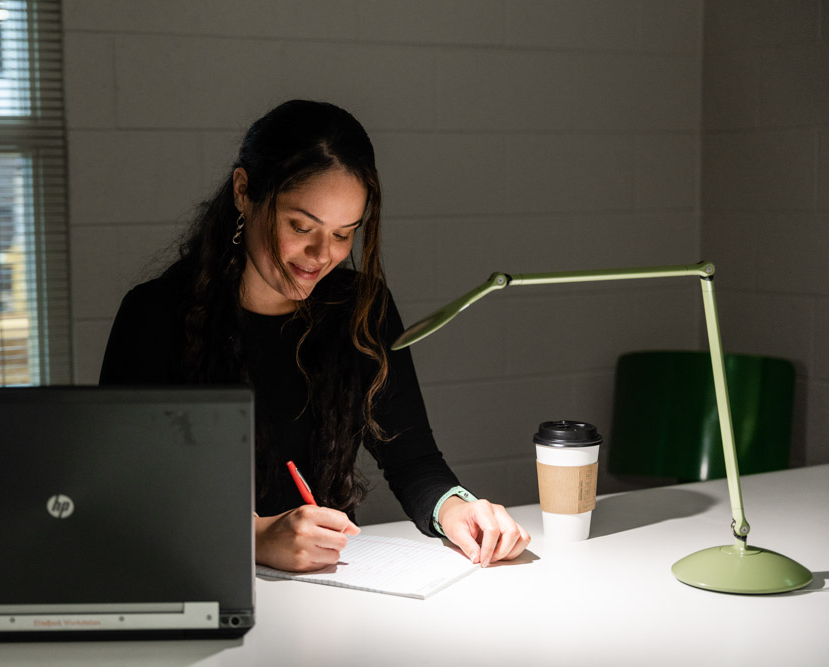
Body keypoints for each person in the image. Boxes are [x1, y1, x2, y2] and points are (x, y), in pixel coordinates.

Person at [100, 99, 530, 572]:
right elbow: (124, 500)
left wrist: (458, 510)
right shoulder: (155, 316)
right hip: (190, 586)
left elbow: (413, 461)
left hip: (324, 602)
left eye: (344, 233)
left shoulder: (361, 308)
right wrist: (256, 536)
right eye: (301, 226)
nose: (320, 256)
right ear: (244, 191)